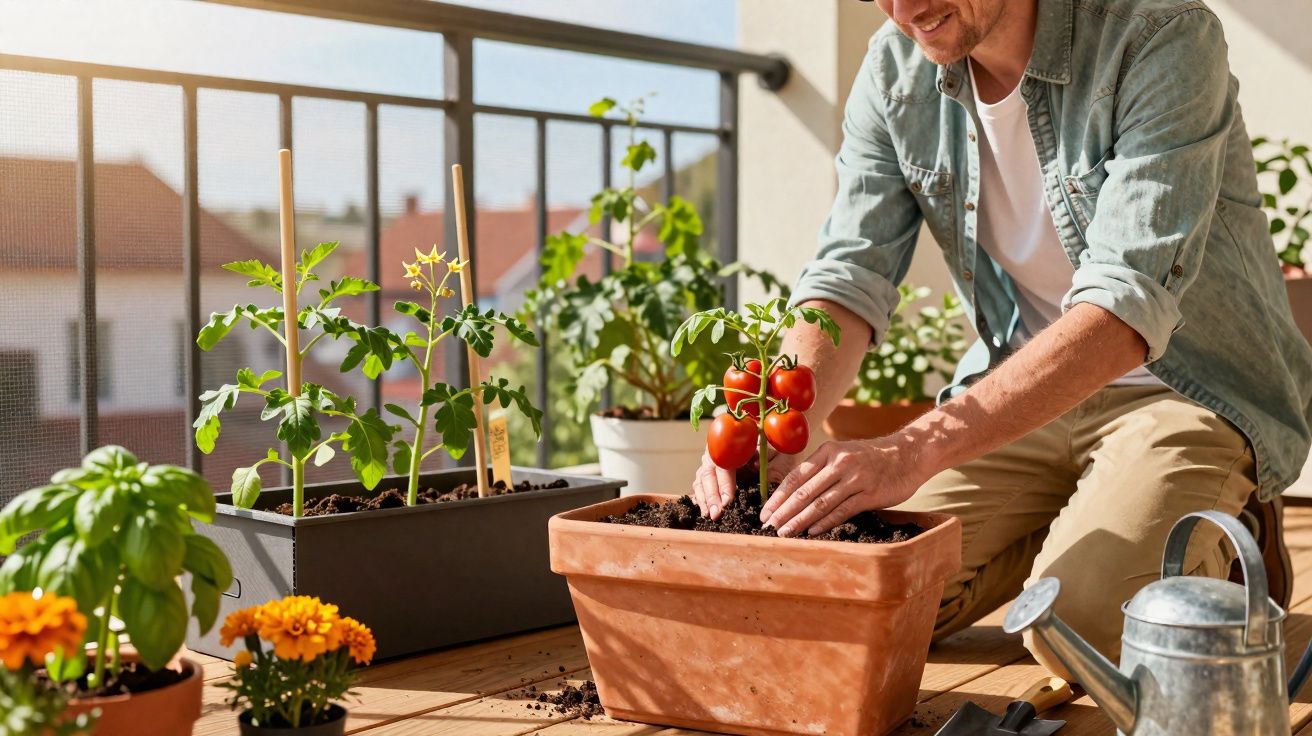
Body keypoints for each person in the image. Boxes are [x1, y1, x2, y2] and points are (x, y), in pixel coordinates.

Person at [692, 0, 1312, 680]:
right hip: (1019, 393)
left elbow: (1126, 304)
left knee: (1082, 629)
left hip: (1183, 390)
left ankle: (1230, 528)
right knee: (853, 599)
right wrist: (780, 422)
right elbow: (850, 274)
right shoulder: (895, 70)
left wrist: (913, 448)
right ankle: (1092, 517)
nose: (903, 9)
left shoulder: (1160, 34)